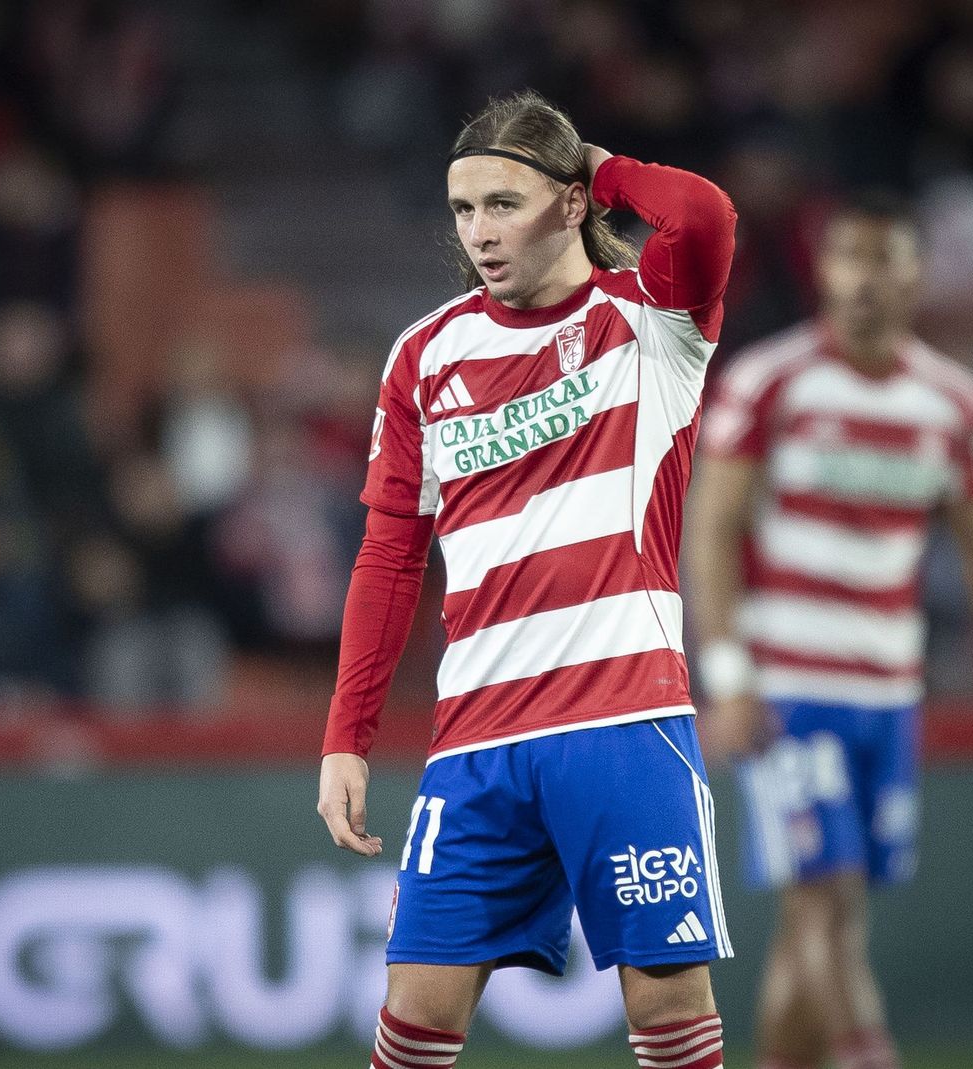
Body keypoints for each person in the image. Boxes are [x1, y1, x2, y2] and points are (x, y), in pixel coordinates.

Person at [316, 90, 738, 1069]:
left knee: (669, 1010)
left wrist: (602, 164)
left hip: (623, 720)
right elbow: (389, 556)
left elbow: (703, 214)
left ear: (571, 201)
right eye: (463, 210)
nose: (478, 232)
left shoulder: (652, 323)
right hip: (477, 738)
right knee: (414, 1017)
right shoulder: (425, 354)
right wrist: (346, 735)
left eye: (503, 203)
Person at [687, 192, 973, 1069]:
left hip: (890, 688)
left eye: (884, 259)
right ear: (825, 270)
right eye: (849, 258)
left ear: (915, 276)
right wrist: (729, 677)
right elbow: (711, 530)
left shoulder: (954, 403)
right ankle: (869, 1050)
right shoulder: (770, 380)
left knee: (824, 911)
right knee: (823, 893)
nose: (865, 279)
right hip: (789, 684)